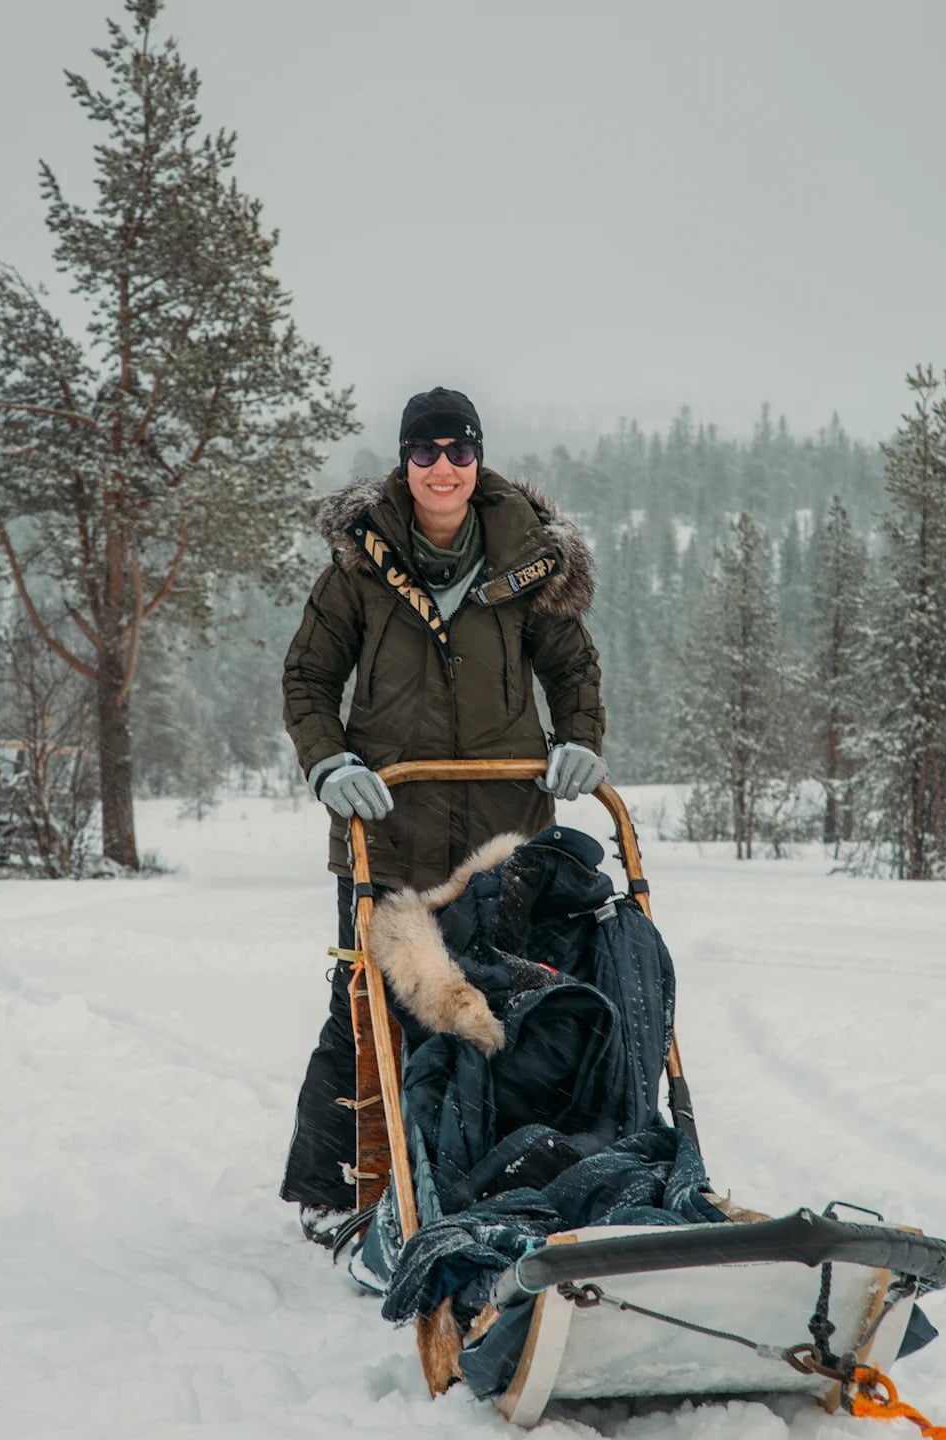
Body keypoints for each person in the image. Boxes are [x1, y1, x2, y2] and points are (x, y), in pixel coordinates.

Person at [280, 385, 607, 1239]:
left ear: (479, 458)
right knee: (371, 1005)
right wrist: (328, 761)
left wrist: (578, 738)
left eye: (458, 450)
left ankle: (506, 1170)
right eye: (424, 451)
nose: (442, 468)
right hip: (388, 828)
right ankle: (336, 1188)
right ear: (404, 460)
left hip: (507, 835)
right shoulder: (359, 565)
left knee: (510, 1004)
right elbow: (309, 679)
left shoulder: (530, 558)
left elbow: (572, 669)